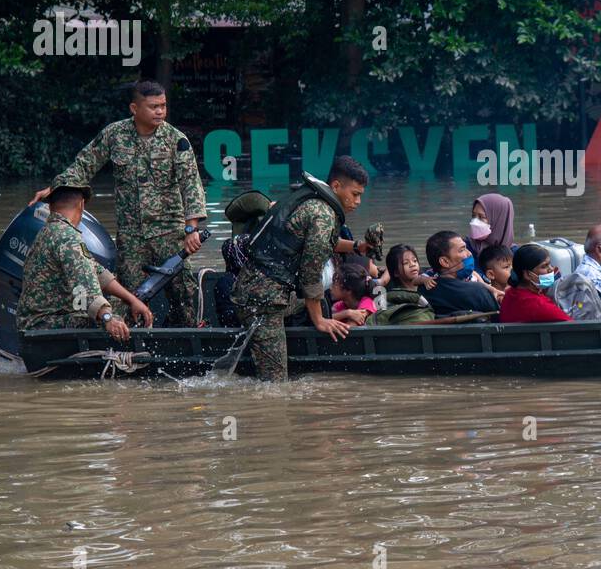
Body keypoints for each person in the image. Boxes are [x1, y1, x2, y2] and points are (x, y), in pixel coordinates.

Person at [28, 80, 206, 326]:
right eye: (153, 106)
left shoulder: (176, 140)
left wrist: (191, 228)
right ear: (134, 108)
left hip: (169, 231)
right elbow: (84, 164)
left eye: (163, 106)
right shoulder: (115, 135)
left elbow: (191, 185)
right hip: (131, 235)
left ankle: (188, 338)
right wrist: (56, 188)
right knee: (130, 292)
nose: (160, 112)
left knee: (183, 291)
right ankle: (128, 346)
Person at [229, 156, 369, 381]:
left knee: (319, 303)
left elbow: (319, 243)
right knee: (275, 385)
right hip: (264, 302)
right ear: (336, 186)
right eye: (355, 194)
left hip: (260, 291)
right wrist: (320, 322)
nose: (358, 201)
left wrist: (357, 246)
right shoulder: (323, 214)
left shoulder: (313, 201)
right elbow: (310, 273)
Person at [17, 184, 154, 339]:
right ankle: (127, 360)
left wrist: (131, 299)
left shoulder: (48, 231)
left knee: (124, 305)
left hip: (35, 323)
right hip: (46, 326)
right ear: (81, 204)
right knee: (119, 316)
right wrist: (108, 318)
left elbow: (96, 271)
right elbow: (84, 287)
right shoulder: (68, 237)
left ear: (51, 206)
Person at [423, 231, 501, 316]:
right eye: (462, 250)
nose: (469, 254)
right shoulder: (477, 291)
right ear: (445, 261)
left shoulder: (423, 290)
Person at [498, 245, 573, 323]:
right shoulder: (538, 305)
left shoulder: (510, 293)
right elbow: (574, 327)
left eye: (550, 264)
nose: (551, 269)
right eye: (544, 266)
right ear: (527, 274)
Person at [466, 193, 514, 267]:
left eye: (481, 217)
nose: (474, 222)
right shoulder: (466, 249)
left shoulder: (515, 254)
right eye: (473, 216)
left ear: (499, 220)